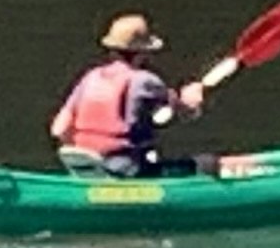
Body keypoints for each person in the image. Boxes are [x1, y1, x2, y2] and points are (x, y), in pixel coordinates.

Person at [50, 13, 206, 175]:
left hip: (83, 164)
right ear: (142, 53)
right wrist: (192, 98)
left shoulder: (89, 78)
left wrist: (91, 147)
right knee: (207, 163)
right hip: (125, 169)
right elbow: (186, 112)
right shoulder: (146, 81)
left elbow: (59, 129)